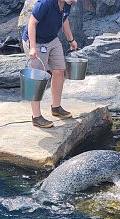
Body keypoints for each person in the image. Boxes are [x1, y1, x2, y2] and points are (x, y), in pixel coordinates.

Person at [22, 0, 78, 128]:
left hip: (52, 39)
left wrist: (71, 40)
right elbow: (31, 23)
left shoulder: (67, 4)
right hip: (36, 41)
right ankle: (36, 117)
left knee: (59, 71)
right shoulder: (46, 3)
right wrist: (33, 46)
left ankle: (56, 108)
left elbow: (64, 20)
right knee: (36, 78)